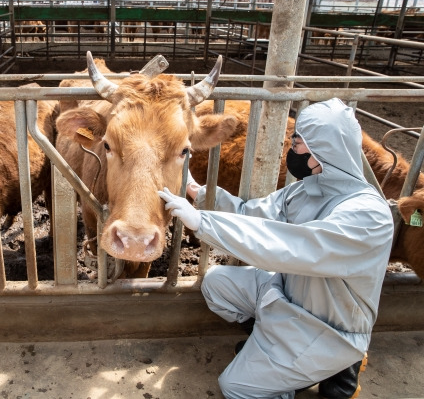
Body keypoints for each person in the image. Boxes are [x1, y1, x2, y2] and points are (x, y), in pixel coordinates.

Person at [158, 98, 394, 398]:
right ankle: (272, 352)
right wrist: (195, 190)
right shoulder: (307, 188)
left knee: (235, 387)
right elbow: (251, 214)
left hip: (328, 328)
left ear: (323, 151)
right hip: (290, 291)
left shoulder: (366, 215)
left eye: (296, 144)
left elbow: (286, 246)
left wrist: (203, 223)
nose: (290, 151)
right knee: (217, 284)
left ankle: (331, 365)